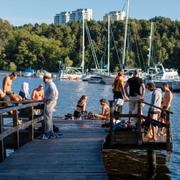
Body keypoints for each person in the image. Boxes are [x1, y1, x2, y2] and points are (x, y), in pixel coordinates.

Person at [42, 72, 59, 139]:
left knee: (47, 117)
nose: (44, 79)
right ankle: (50, 132)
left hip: (50, 102)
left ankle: (48, 133)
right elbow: (47, 93)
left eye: (46, 78)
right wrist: (45, 98)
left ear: (49, 78)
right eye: (44, 78)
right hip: (48, 101)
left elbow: (56, 94)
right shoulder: (47, 84)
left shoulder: (51, 84)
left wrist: (49, 99)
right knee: (48, 117)